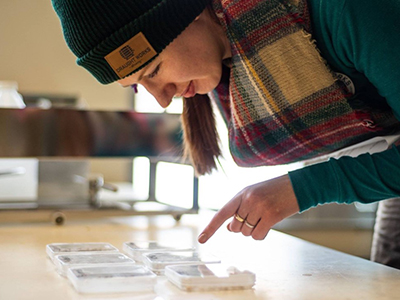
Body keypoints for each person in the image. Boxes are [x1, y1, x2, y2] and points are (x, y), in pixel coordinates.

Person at [52, 0, 400, 269]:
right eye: (140, 86)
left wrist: (304, 188)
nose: (160, 98)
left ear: (189, 14)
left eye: (154, 70)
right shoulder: (234, 67)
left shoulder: (347, 10)